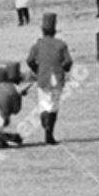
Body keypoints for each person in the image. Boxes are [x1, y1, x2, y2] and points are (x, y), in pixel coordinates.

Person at [25, 13, 72, 146]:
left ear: (42, 30)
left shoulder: (38, 45)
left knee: (44, 105)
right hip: (57, 78)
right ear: (55, 30)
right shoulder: (61, 45)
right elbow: (68, 61)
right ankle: (49, 133)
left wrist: (36, 70)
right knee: (54, 106)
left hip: (43, 77)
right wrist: (64, 69)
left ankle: (45, 128)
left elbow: (29, 60)